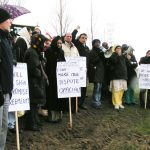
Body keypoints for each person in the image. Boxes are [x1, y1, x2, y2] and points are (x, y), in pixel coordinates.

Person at [24, 34, 47, 131]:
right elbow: (33, 69)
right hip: (33, 82)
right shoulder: (32, 52)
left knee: (35, 103)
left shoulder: (35, 52)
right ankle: (31, 124)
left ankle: (34, 121)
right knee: (32, 103)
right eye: (43, 43)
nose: (44, 45)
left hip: (35, 82)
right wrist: (41, 75)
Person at [0, 8, 13, 150]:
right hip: (0, 90)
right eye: (8, 19)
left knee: (3, 126)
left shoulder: (5, 39)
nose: (11, 21)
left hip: (6, 90)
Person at [45, 36, 65, 123]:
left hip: (59, 78)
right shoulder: (49, 51)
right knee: (52, 97)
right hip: (51, 78)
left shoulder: (61, 51)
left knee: (58, 97)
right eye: (58, 43)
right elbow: (48, 65)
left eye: (61, 43)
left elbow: (63, 62)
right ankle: (52, 117)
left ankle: (58, 116)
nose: (59, 45)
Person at [72, 26, 90, 110]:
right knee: (77, 87)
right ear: (79, 38)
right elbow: (72, 36)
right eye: (82, 38)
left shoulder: (86, 48)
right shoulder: (76, 44)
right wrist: (76, 30)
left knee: (83, 87)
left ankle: (81, 103)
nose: (84, 39)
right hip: (76, 69)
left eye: (85, 38)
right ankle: (75, 103)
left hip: (84, 69)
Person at [62, 33, 79, 112]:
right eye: (67, 36)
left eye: (70, 36)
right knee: (65, 90)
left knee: (73, 90)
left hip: (74, 72)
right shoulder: (61, 46)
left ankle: (73, 108)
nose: (69, 37)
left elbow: (78, 58)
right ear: (64, 37)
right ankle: (65, 108)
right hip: (64, 72)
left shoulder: (75, 47)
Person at [109, 45, 127, 110]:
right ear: (115, 49)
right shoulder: (112, 55)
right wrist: (118, 56)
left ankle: (120, 103)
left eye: (120, 48)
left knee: (121, 90)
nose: (119, 49)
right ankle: (116, 103)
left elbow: (126, 65)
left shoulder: (123, 56)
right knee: (116, 90)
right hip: (115, 75)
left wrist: (128, 58)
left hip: (123, 75)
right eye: (118, 48)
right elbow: (114, 62)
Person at [88, 39, 105, 109]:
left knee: (99, 87)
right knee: (97, 88)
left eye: (99, 42)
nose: (98, 44)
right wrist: (99, 56)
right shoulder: (91, 52)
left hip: (100, 72)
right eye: (96, 42)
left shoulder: (100, 51)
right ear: (93, 44)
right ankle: (95, 102)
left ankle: (98, 100)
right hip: (96, 72)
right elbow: (92, 61)